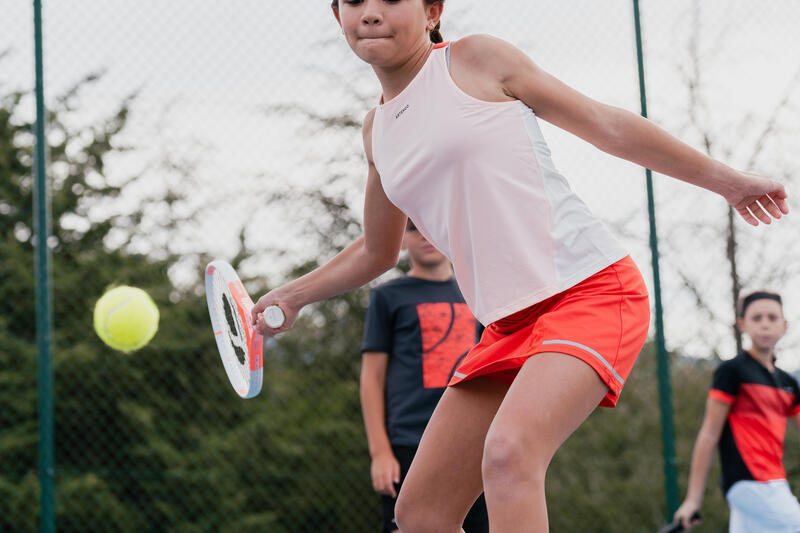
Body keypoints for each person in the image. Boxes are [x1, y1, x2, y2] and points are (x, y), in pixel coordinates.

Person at [252, 1, 789, 530]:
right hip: (505, 328)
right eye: (354, 0)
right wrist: (294, 295)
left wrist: (730, 183)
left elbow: (608, 125)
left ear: (432, 10)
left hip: (591, 292)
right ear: (337, 14)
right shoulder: (377, 133)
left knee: (509, 454)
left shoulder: (476, 60)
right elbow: (377, 249)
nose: (370, 12)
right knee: (421, 514)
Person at [361, 219, 489, 533]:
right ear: (400, 239)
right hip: (407, 444)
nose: (425, 235)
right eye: (414, 228)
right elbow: (371, 378)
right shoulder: (387, 296)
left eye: (431, 224)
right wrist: (380, 453)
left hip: (470, 443)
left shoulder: (480, 292)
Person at [673, 291, 800, 533]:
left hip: (776, 483)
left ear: (784, 325)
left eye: (772, 318)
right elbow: (709, 434)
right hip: (747, 483)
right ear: (743, 325)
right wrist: (692, 500)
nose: (765, 323)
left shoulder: (789, 383)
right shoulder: (731, 372)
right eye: (757, 317)